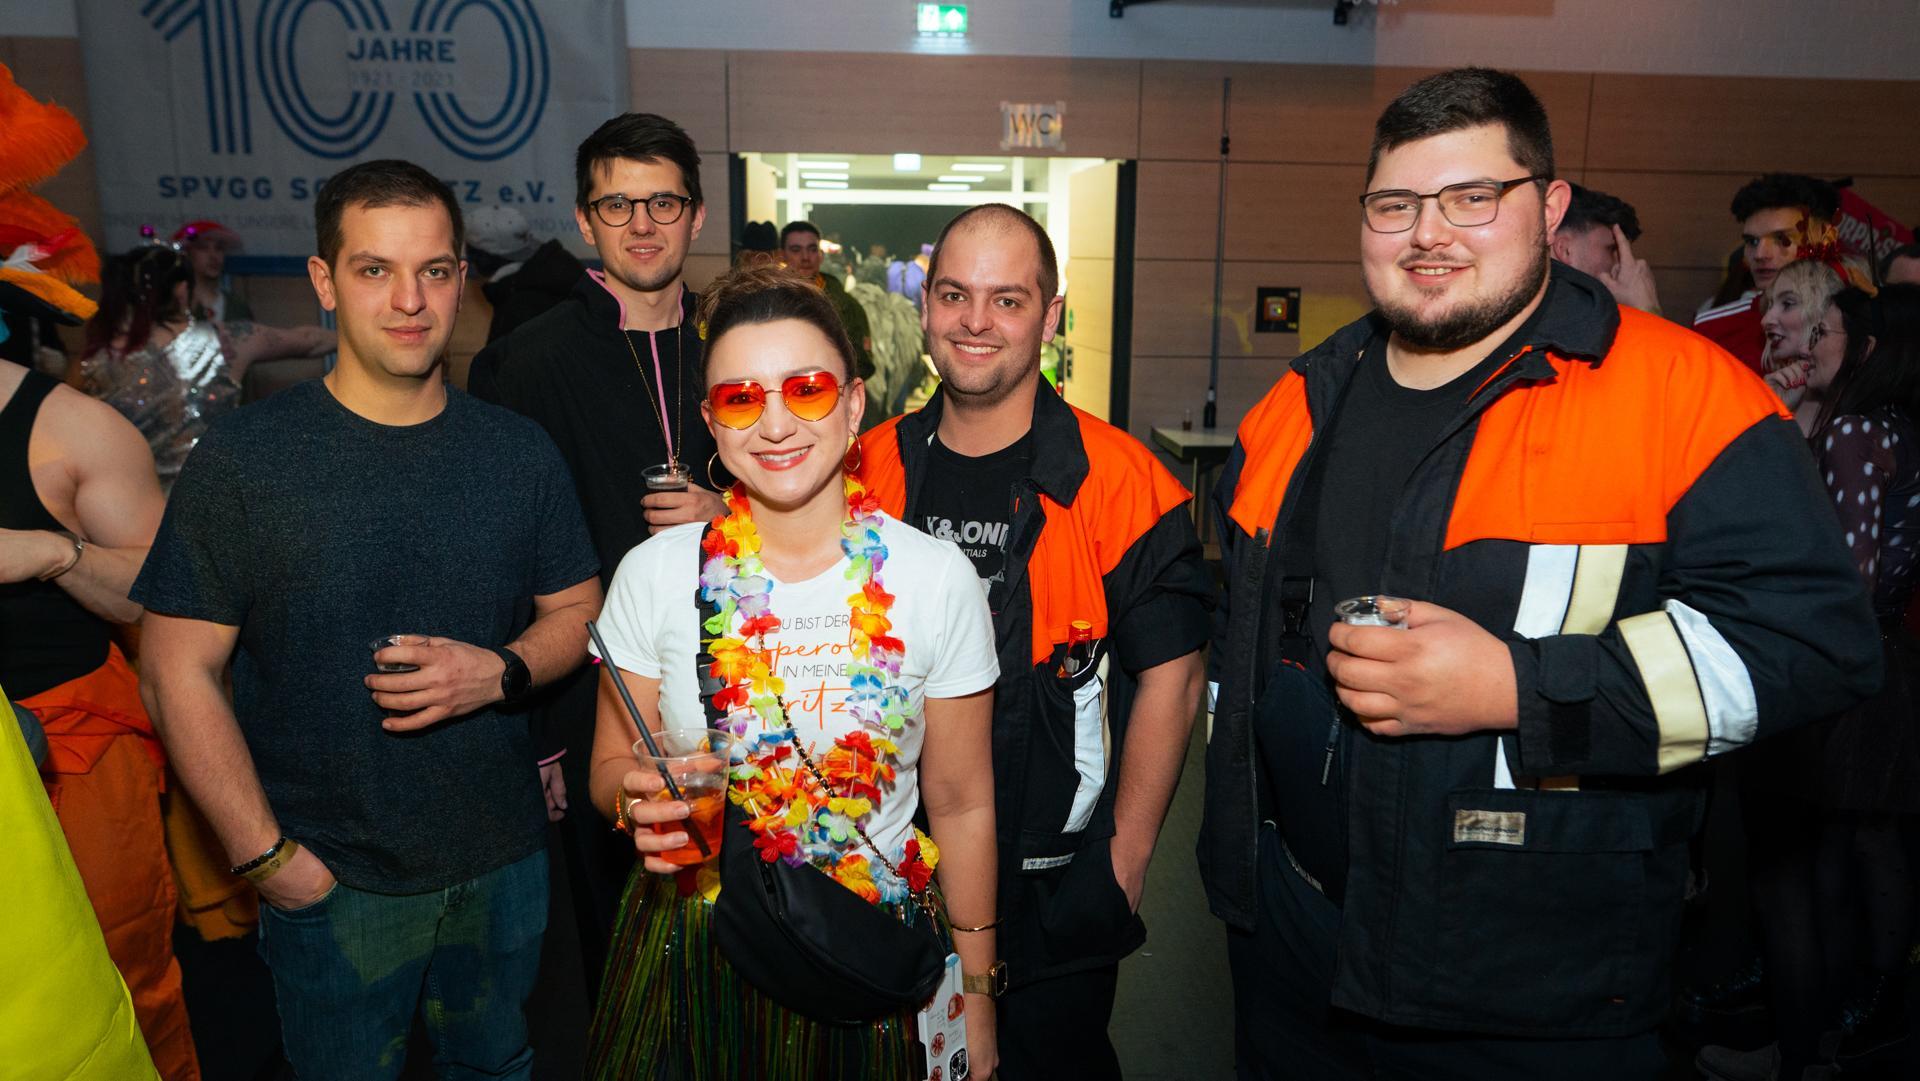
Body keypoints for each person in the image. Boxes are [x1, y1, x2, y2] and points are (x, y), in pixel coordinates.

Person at [1200, 67, 1880, 1079]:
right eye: (1396, 205)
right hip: (1294, 952)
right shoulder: (1298, 402)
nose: (1429, 232)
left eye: (1472, 197)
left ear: (1549, 205)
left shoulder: (1680, 394)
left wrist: (1518, 687)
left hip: (1532, 986)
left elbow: (1807, 643)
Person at [133, 159, 603, 1081]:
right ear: (324, 280)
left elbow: (577, 608)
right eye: (374, 269)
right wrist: (267, 858)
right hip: (331, 880)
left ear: (462, 280)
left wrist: (499, 670)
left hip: (503, 865)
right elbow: (174, 668)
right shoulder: (246, 458)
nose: (409, 299)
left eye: (433, 269)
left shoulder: (516, 450)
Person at [584, 264, 1001, 1079]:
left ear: (852, 405)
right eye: (741, 398)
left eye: (805, 389)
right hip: (695, 939)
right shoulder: (654, 571)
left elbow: (962, 800)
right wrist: (633, 801)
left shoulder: (934, 576)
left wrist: (977, 993)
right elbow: (608, 766)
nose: (775, 423)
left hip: (864, 938)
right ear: (712, 421)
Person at [858, 203, 1212, 1080]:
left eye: (1007, 299)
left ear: (1049, 317)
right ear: (926, 307)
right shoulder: (863, 471)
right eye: (954, 294)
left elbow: (1172, 674)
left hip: (1056, 885)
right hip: (893, 873)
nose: (976, 322)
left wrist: (1125, 859)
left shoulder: (1124, 481)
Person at [467, 111, 728, 992]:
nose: (643, 224)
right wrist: (540, 739)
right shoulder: (523, 362)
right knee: (621, 949)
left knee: (747, 925)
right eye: (618, 205)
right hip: (592, 699)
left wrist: (725, 510)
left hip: (747, 672)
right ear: (584, 220)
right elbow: (506, 565)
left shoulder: (740, 346)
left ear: (696, 216)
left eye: (663, 202)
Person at [1700, 282, 1919, 1081]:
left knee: (1800, 871)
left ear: (1864, 345)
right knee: (1829, 866)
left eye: (1823, 327)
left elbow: (1846, 581)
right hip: (1877, 665)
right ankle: (1817, 1042)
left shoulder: (1859, 428)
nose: (1802, 340)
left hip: (1836, 675)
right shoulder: (1882, 422)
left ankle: (1806, 1051)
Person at [0, 357, 194, 1080]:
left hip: (71, 761)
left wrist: (52, 553)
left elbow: (162, 591)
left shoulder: (76, 429)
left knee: (120, 978)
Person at [79, 243, 334, 489]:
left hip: (125, 506)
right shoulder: (225, 340)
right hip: (210, 503)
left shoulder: (96, 358)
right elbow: (309, 342)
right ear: (181, 291)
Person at [1695, 173, 1841, 373]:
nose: (1760, 255)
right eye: (1752, 242)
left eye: (1782, 239)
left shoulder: (1865, 325)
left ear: (1826, 240)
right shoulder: (1712, 330)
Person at [464, 205, 587, 344]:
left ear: (485, 257)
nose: (470, 259)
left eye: (472, 252)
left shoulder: (519, 309)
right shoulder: (560, 270)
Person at [783, 220, 875, 380]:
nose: (805, 257)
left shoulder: (848, 306)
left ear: (821, 255)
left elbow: (863, 364)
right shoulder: (768, 300)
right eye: (796, 250)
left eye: (812, 249)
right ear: (782, 255)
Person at [1551, 182, 1661, 314]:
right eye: (1611, 249)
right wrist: (1646, 310)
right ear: (1565, 250)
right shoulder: (1577, 325)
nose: (1622, 266)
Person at [173, 220, 250, 323]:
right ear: (186, 254)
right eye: (203, 248)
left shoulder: (237, 307)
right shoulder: (173, 304)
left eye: (219, 248)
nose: (214, 256)